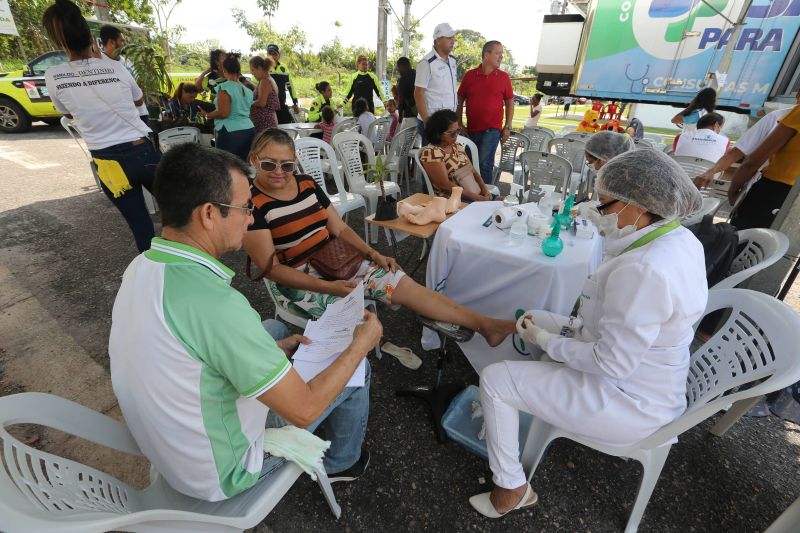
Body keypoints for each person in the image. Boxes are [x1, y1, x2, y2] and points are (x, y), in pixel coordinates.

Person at [109, 142, 381, 502]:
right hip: (223, 470)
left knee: (278, 331)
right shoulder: (215, 304)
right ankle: (342, 462)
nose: (251, 218)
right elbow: (304, 410)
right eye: (244, 207)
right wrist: (363, 341)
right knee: (353, 363)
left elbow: (193, 341)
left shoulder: (143, 265)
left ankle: (310, 398)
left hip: (170, 444)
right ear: (208, 213)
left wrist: (272, 347)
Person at [470, 149, 707, 518]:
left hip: (629, 400)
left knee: (496, 380)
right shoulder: (675, 239)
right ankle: (522, 413)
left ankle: (511, 489)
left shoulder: (644, 269)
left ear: (640, 206)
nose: (599, 212)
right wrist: (557, 326)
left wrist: (549, 340)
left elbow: (610, 361)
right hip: (647, 376)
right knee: (536, 316)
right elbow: (615, 326)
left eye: (606, 204)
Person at [242, 129, 515, 345]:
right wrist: (329, 288)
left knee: (406, 286)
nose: (279, 172)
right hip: (297, 279)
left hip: (336, 259)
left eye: (287, 165)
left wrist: (374, 254)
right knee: (360, 322)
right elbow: (273, 270)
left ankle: (484, 325)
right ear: (253, 160)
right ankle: (341, 378)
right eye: (269, 164)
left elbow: (340, 229)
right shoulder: (250, 204)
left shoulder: (307, 184)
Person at [43, 0, 159, 253]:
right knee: (179, 213)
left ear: (59, 40)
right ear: (89, 34)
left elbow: (67, 111)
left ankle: (158, 284)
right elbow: (138, 99)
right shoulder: (115, 66)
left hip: (108, 163)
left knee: (141, 227)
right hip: (143, 152)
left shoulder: (53, 76)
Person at [694, 93, 800, 189]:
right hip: (765, 186)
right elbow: (736, 153)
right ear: (797, 97)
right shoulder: (775, 118)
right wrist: (711, 171)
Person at [728, 103, 800, 230]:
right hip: (794, 200)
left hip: (772, 192)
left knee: (742, 242)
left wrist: (733, 190)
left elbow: (754, 161)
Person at [456, 40, 515, 185]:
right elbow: (459, 99)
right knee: (469, 165)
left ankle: (486, 198)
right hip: (470, 130)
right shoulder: (470, 75)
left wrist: (507, 126)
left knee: (484, 164)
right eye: (498, 53)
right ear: (486, 55)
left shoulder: (504, 77)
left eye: (502, 54)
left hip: (492, 130)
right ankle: (472, 196)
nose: (501, 57)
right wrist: (459, 123)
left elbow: (510, 102)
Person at [420, 109, 493, 202]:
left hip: (474, 194)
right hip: (454, 200)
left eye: (457, 130)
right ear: (438, 133)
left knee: (505, 204)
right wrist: (476, 198)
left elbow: (473, 171)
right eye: (452, 133)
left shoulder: (456, 146)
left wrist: (485, 190)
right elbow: (445, 185)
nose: (456, 135)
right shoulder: (432, 152)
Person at [200, 52, 255, 162]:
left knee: (226, 167)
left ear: (224, 70)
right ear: (238, 70)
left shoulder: (224, 87)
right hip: (249, 129)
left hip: (231, 132)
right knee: (243, 166)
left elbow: (224, 113)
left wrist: (207, 114)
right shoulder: (248, 90)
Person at [415, 23, 459, 145]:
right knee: (431, 161)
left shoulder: (453, 61)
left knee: (446, 161)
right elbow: (418, 94)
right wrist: (427, 122)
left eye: (453, 38)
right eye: (449, 38)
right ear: (438, 40)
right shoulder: (427, 63)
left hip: (449, 122)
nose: (453, 41)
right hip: (433, 122)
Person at [99, 24, 148, 124]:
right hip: (123, 119)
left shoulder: (126, 61)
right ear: (111, 42)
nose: (125, 43)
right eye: (122, 40)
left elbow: (138, 85)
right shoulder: (100, 65)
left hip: (141, 112)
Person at [267, 44, 300, 124]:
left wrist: (295, 102)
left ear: (279, 55)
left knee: (286, 128)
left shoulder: (284, 68)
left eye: (274, 54)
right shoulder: (264, 67)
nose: (272, 56)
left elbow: (290, 86)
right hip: (268, 107)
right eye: (270, 54)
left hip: (281, 104)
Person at [249, 55, 280, 133]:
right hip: (266, 122)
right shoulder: (267, 79)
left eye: (252, 70)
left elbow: (261, 102)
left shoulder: (265, 81)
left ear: (259, 68)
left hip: (265, 124)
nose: (252, 73)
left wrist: (248, 103)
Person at [395, 56, 417, 121]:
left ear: (402, 66)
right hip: (422, 110)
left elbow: (400, 100)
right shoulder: (417, 73)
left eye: (398, 67)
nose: (398, 69)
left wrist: (400, 116)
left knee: (404, 131)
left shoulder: (403, 79)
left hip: (410, 113)